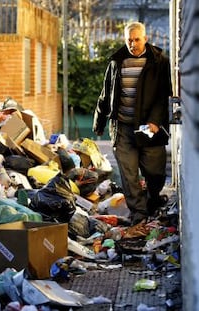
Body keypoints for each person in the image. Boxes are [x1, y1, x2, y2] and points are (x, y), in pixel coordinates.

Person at [92, 21, 172, 225]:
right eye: (129, 40)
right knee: (129, 175)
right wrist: (99, 123)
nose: (133, 44)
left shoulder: (159, 61)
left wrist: (155, 121)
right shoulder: (116, 62)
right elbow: (106, 93)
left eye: (137, 39)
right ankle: (139, 215)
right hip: (122, 128)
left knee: (155, 171)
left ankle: (153, 198)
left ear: (145, 39)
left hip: (148, 128)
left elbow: (164, 95)